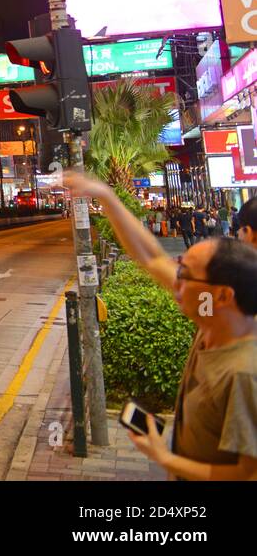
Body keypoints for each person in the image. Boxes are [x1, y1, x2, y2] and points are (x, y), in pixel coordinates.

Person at [67, 170, 257, 480]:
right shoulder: (212, 317)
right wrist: (105, 195)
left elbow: (248, 475)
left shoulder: (245, 371)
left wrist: (164, 458)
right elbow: (151, 257)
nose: (174, 280)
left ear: (222, 295)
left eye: (184, 274)